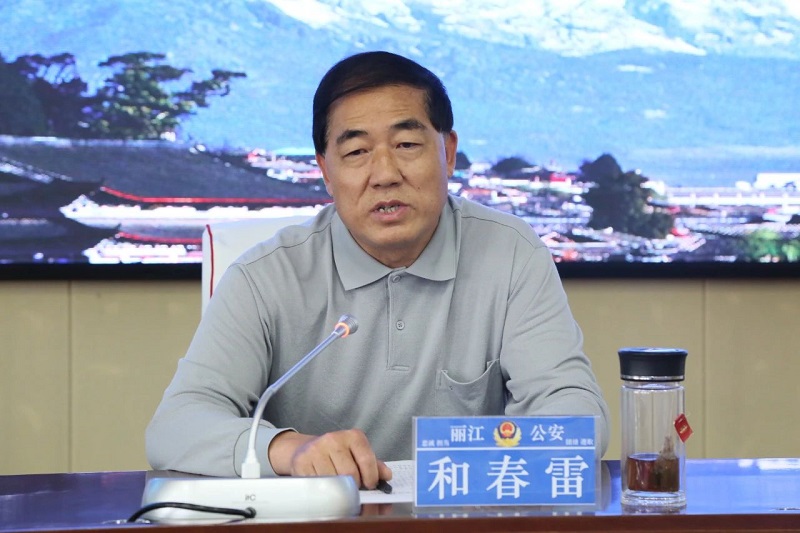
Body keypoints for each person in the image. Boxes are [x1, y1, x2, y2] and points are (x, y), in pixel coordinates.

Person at [146, 50, 610, 490]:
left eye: (406, 144)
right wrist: (289, 450)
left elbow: (576, 414)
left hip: (463, 517)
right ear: (326, 171)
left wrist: (486, 461)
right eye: (356, 152)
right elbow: (176, 426)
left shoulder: (511, 254)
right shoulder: (266, 276)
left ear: (448, 152)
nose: (385, 173)